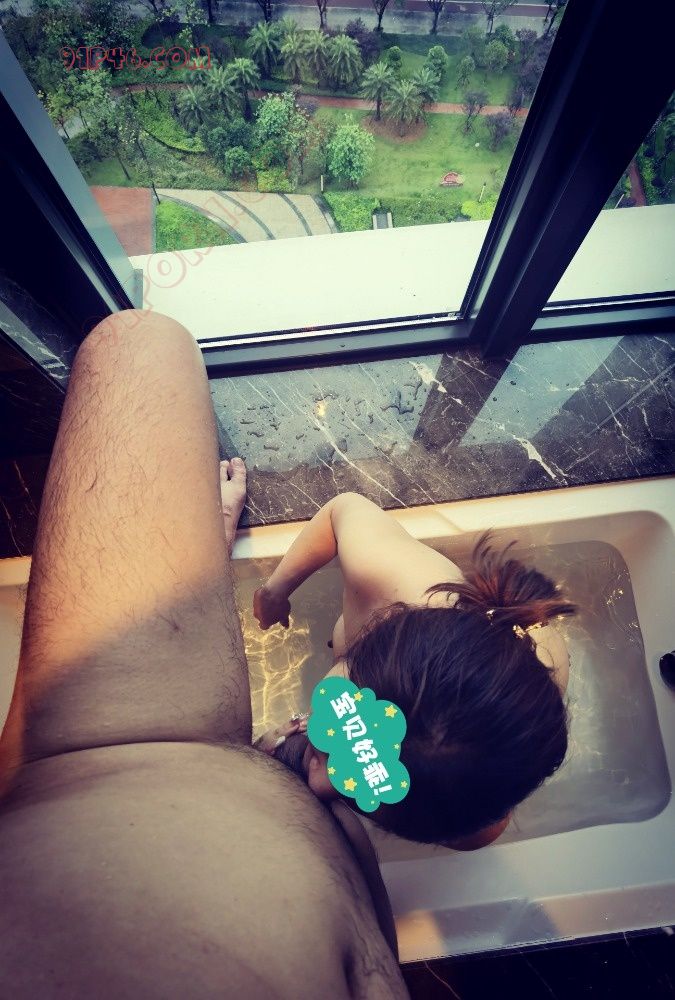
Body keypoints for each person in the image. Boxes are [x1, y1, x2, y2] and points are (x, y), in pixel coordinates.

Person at [0, 310, 408, 999]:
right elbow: (347, 512)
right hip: (130, 764)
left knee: (137, 343)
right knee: (140, 343)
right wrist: (249, 577)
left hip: (99, 759)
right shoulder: (396, 589)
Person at [254, 497, 575, 850]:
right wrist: (274, 591)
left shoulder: (475, 797)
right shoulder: (388, 576)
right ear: (377, 634)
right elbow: (342, 510)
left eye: (364, 787)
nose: (319, 780)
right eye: (343, 715)